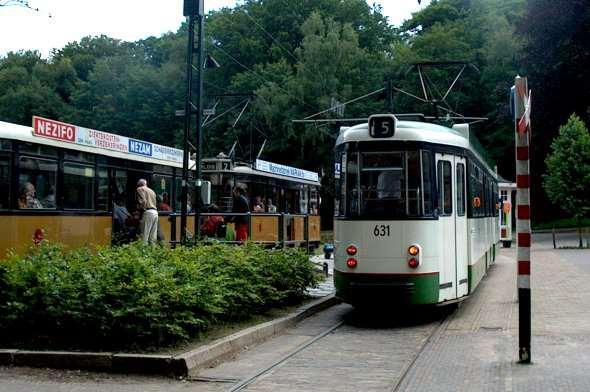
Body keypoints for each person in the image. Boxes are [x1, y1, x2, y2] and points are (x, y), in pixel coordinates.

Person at [136, 178, 159, 245]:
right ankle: (152, 252)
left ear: (139, 184)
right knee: (152, 237)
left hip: (148, 212)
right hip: (155, 212)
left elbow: (143, 201)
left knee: (144, 236)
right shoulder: (152, 191)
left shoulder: (140, 189)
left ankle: (143, 253)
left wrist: (139, 209)